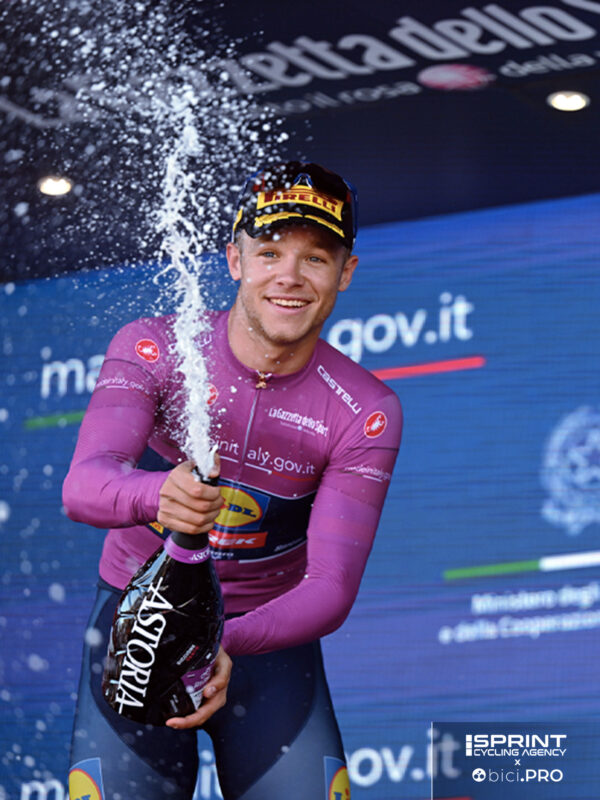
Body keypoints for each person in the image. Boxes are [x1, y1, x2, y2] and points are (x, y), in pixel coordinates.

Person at [63, 161, 402, 800]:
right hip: (142, 628)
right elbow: (83, 488)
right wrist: (158, 494)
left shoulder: (364, 409)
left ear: (346, 273)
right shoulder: (155, 347)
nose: (289, 276)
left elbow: (330, 589)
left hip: (267, 641)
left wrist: (219, 640)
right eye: (269, 252)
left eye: (316, 259)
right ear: (235, 259)